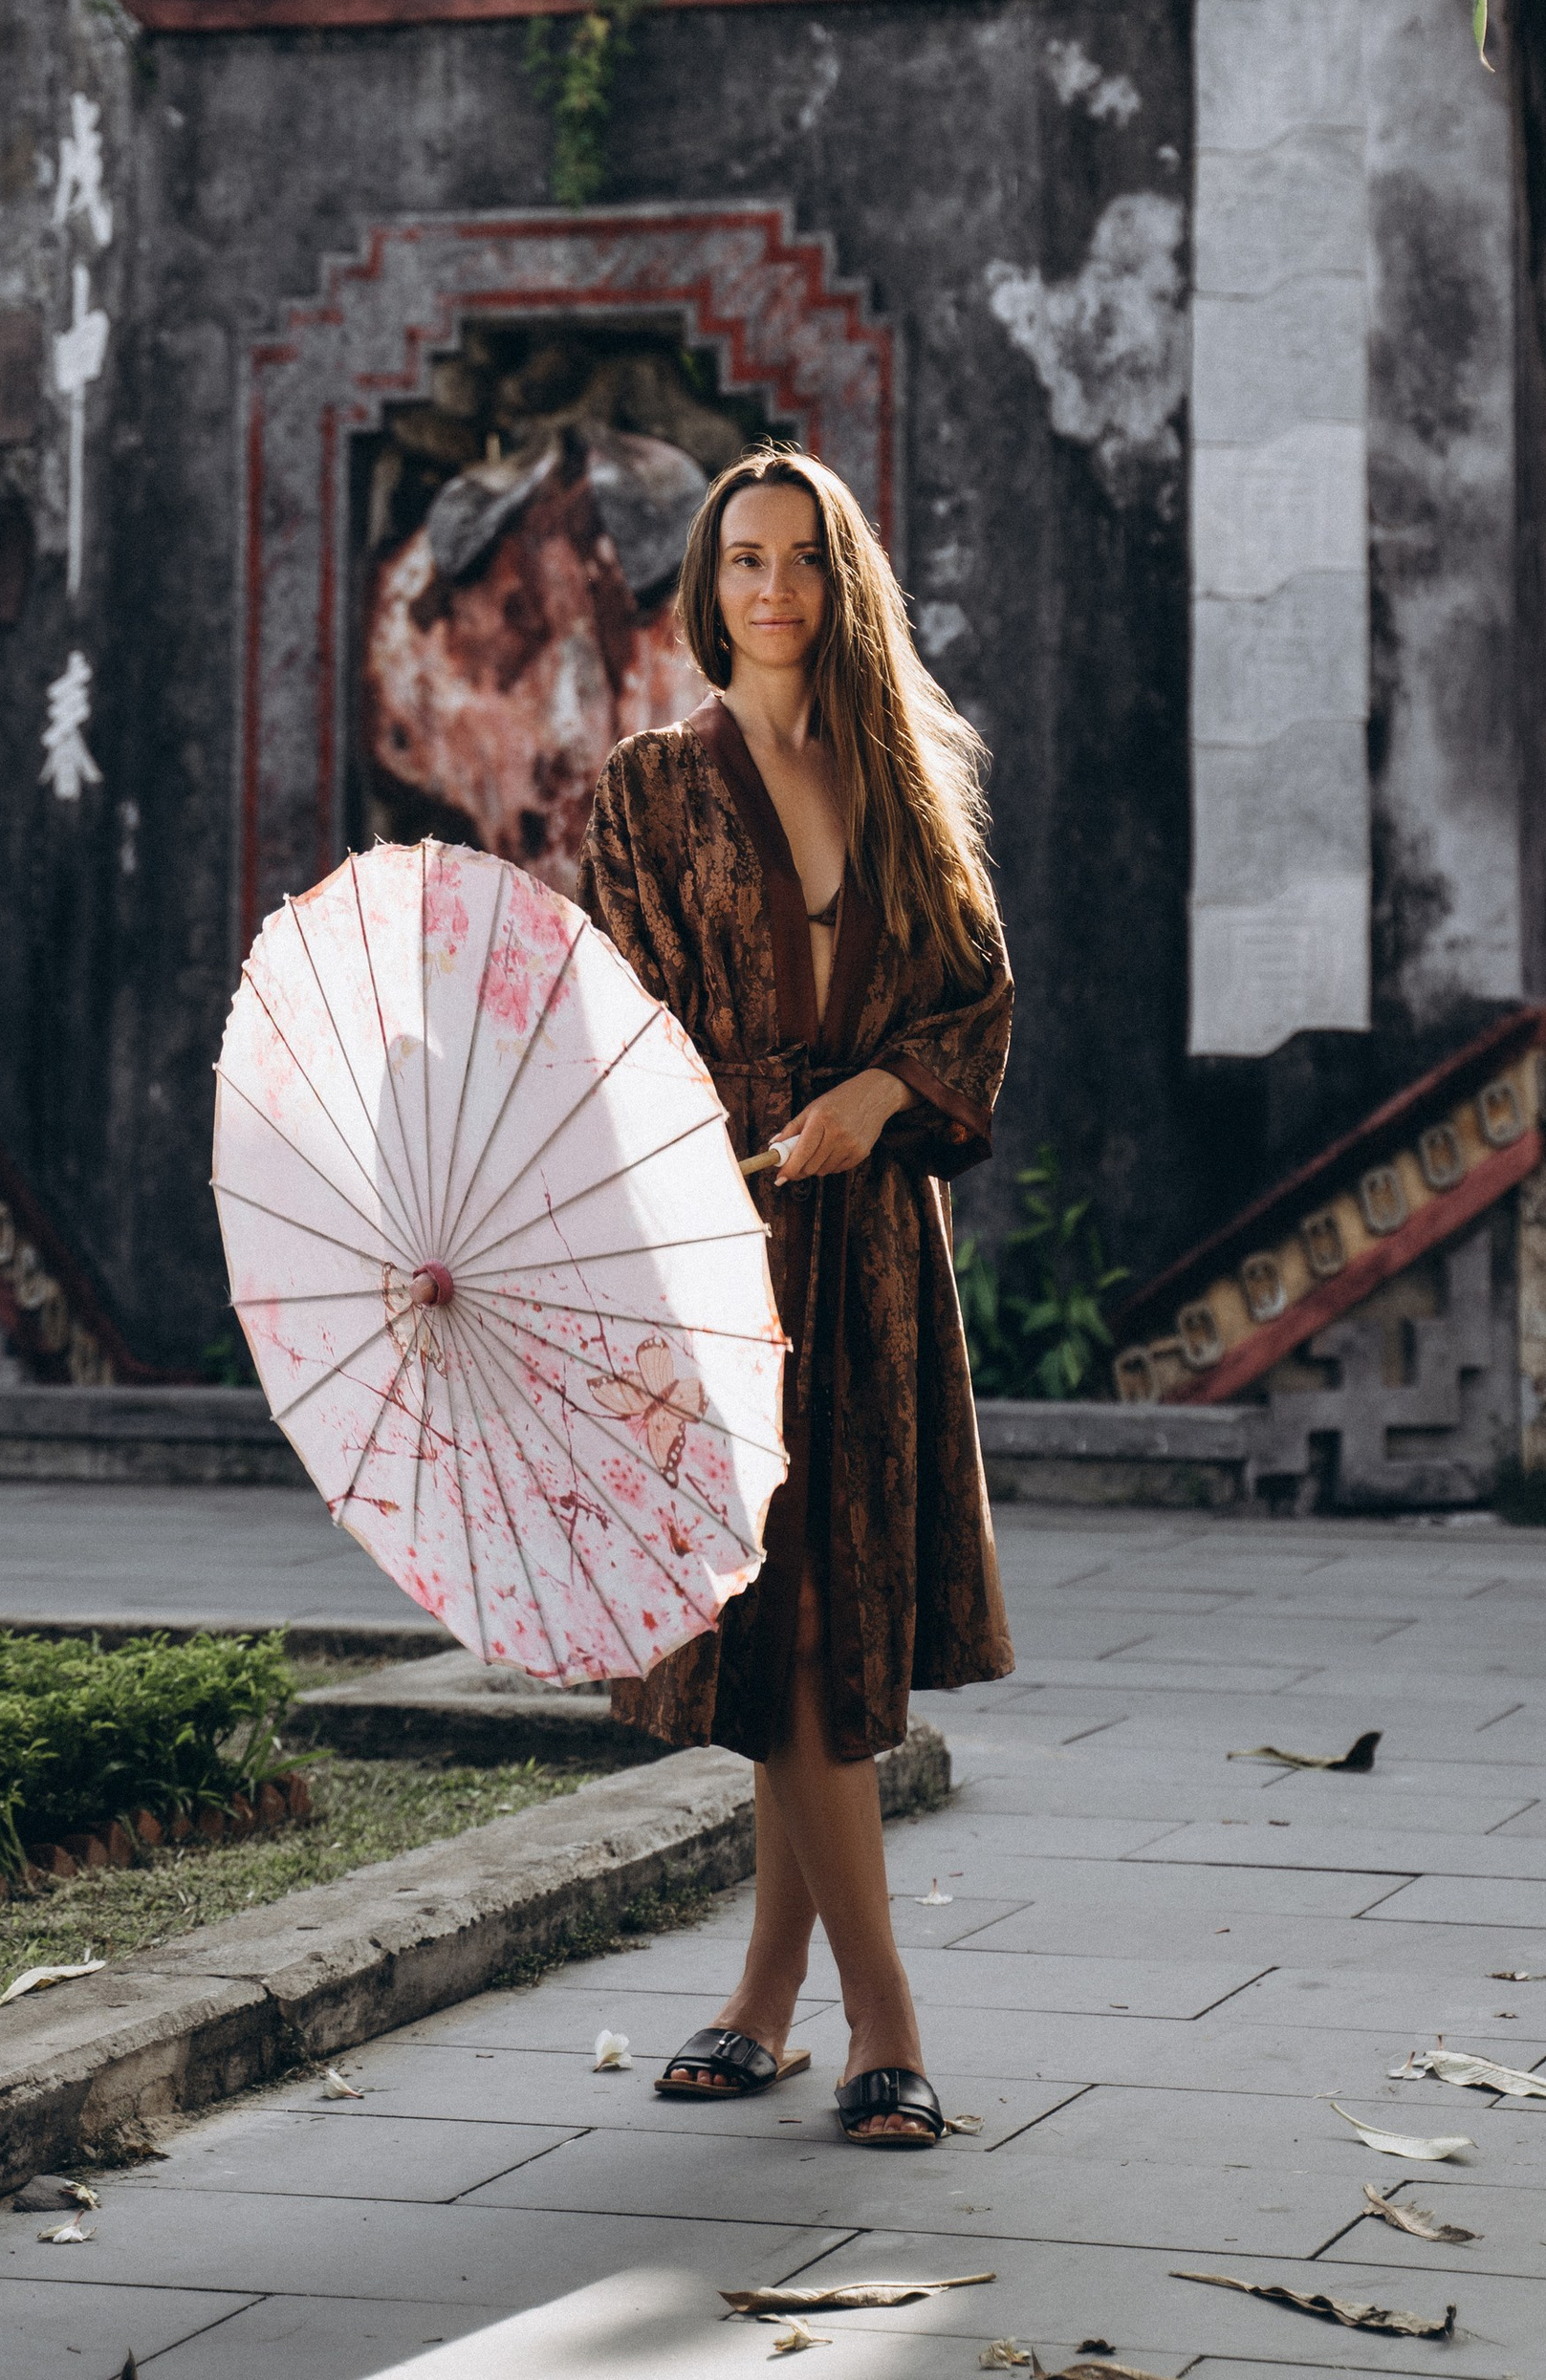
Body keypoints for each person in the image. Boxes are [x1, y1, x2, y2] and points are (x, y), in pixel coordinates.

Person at [577, 445, 1013, 2149]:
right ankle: (876, 2017)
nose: (772, 588)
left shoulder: (903, 770)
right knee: (791, 1622)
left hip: (881, 1250)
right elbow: (605, 1024)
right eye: (742, 559)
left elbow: (974, 995)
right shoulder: (652, 785)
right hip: (722, 1245)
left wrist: (880, 1103)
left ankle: (772, 1997)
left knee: (817, 1620)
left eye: (802, 559)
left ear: (846, 583)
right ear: (708, 586)